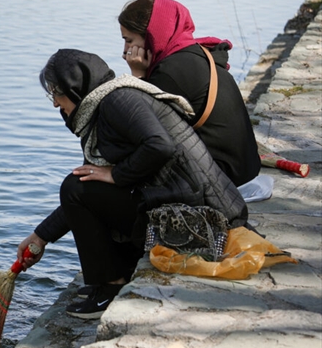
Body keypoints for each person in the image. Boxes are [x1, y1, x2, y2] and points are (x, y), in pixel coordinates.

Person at [17, 49, 248, 319]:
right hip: (185, 200)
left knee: (74, 186)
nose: (56, 104)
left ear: (74, 88)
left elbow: (160, 145)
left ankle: (111, 288)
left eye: (55, 93)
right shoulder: (106, 103)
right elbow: (93, 186)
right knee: (83, 185)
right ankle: (116, 275)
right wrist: (41, 236)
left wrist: (116, 175)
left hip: (203, 213)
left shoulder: (118, 101)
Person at [118, 0, 262, 190]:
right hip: (243, 168)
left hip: (225, 178)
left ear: (152, 37)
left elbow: (138, 128)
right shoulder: (194, 53)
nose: (125, 50)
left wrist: (137, 76)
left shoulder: (172, 72)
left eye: (129, 41)